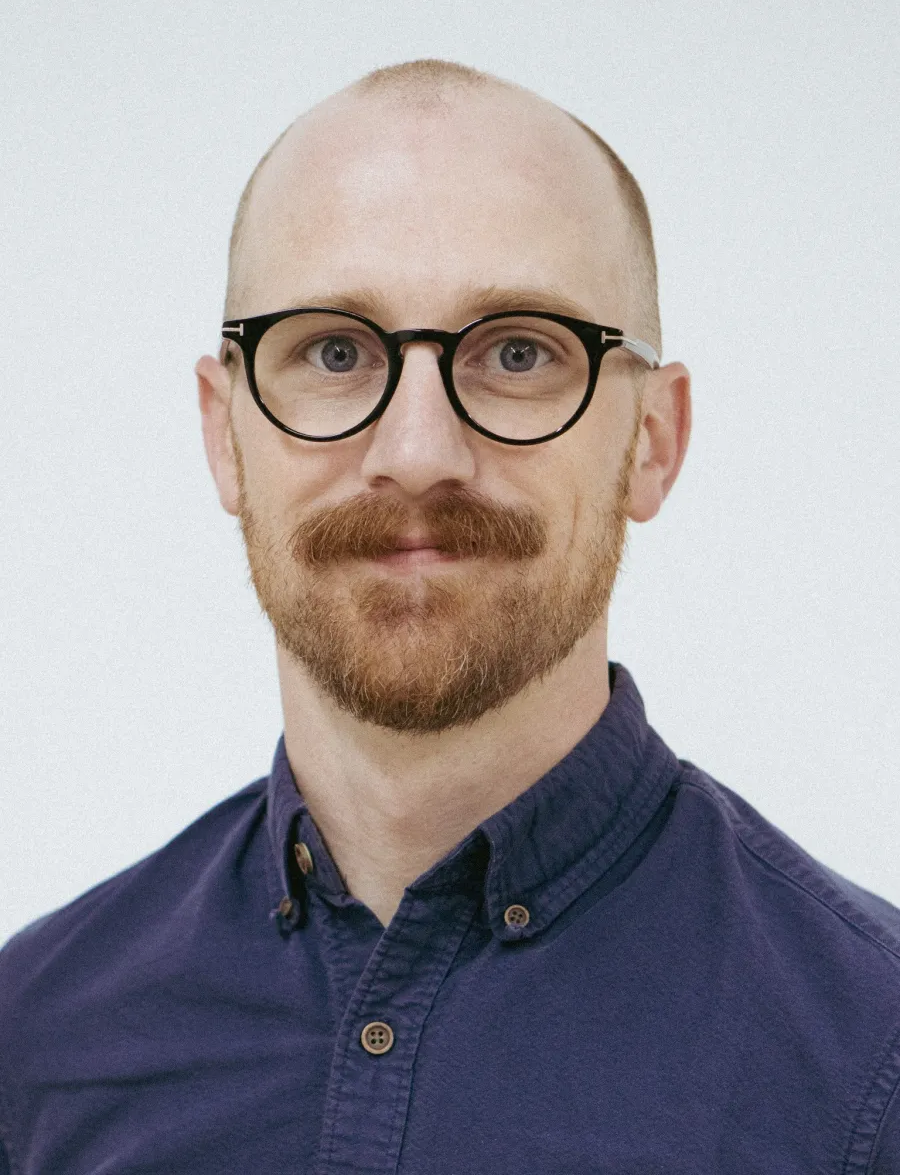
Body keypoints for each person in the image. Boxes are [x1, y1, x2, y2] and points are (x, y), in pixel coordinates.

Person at [1, 58, 898, 1174]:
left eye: (518, 352)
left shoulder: (874, 1056)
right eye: (334, 352)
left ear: (653, 443)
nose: (418, 453)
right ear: (224, 435)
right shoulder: (34, 1043)